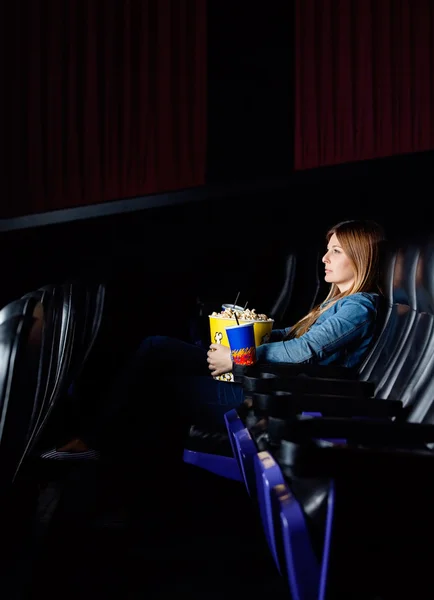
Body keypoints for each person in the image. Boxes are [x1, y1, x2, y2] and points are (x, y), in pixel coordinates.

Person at [54, 218, 386, 458]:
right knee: (157, 347)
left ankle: (97, 448)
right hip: (260, 378)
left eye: (336, 251)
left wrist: (238, 357)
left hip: (270, 395)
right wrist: (239, 336)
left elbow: (304, 350)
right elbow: (292, 334)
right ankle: (91, 437)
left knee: (158, 385)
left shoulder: (358, 307)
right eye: (327, 250)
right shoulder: (336, 302)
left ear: (360, 258)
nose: (325, 258)